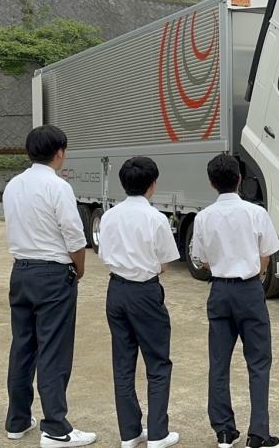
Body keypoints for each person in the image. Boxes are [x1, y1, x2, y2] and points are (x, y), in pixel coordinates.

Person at [2, 125, 96, 448]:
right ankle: (56, 426)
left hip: (21, 271)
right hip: (53, 274)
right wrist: (78, 271)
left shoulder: (12, 186)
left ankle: (17, 419)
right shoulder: (58, 187)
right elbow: (74, 236)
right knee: (54, 349)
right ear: (60, 152)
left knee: (23, 345)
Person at [190, 155, 279, 448]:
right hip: (249, 290)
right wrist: (256, 271)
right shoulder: (256, 213)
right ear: (240, 178)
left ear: (211, 183)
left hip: (219, 290)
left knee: (219, 362)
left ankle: (224, 431)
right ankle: (259, 433)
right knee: (258, 361)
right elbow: (266, 254)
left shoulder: (203, 217)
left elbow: (201, 260)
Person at [98, 157, 181, 448]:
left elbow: (104, 256)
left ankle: (130, 432)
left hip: (116, 290)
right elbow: (167, 262)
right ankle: (157, 433)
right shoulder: (156, 218)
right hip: (145, 292)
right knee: (157, 361)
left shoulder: (109, 216)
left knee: (123, 362)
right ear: (153, 184)